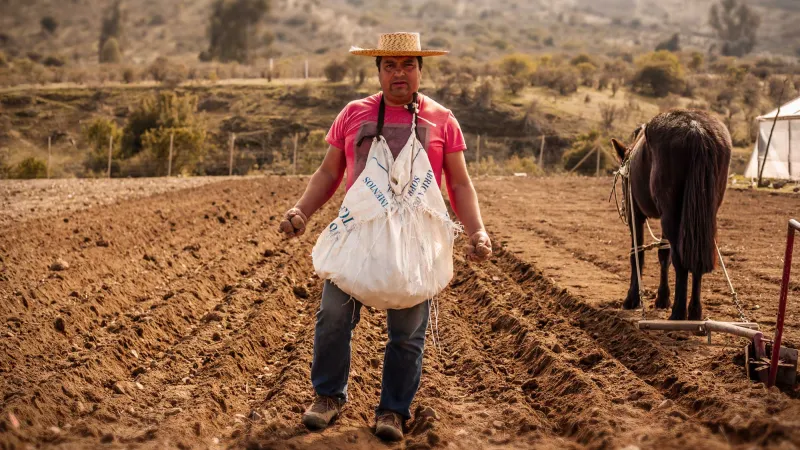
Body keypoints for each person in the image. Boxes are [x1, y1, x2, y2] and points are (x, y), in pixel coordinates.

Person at [279, 32, 492, 442]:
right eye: (390, 65)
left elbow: (460, 184)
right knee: (333, 316)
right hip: (359, 231)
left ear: (420, 70)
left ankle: (393, 410)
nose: (399, 73)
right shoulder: (354, 114)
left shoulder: (441, 119)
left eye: (408, 65)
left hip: (415, 239)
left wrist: (477, 231)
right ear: (377, 71)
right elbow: (329, 172)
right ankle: (328, 397)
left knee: (408, 332)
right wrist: (301, 211)